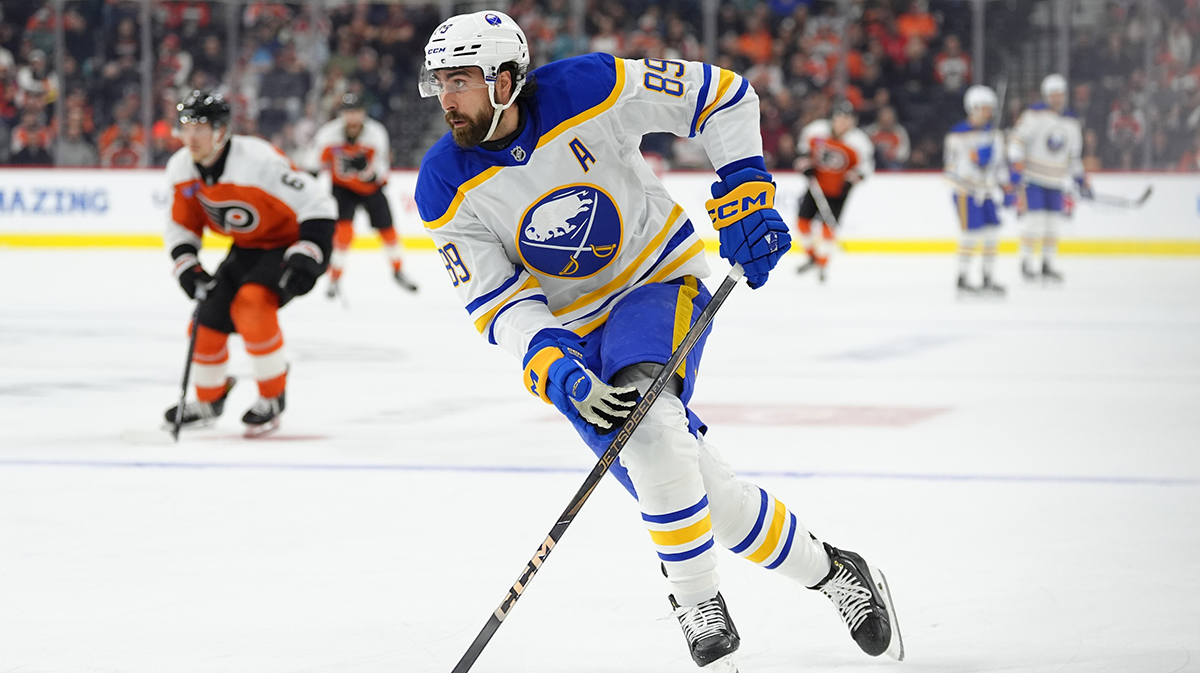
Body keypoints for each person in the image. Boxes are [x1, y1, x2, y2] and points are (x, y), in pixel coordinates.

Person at [414, 11, 903, 670]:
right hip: (570, 335)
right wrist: (546, 358)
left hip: (655, 282)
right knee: (698, 488)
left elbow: (722, 95)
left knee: (651, 427)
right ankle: (838, 572)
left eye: (462, 79)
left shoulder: (590, 86)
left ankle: (696, 606)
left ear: (506, 78)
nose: (446, 97)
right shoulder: (442, 180)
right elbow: (495, 297)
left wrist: (748, 193)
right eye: (440, 80)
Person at [163, 90, 336, 436]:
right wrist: (188, 266)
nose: (191, 136)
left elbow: (318, 202)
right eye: (186, 126)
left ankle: (272, 397)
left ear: (221, 131)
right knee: (206, 319)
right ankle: (209, 398)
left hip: (287, 245)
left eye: (200, 127)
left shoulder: (258, 162)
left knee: (253, 306)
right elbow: (182, 225)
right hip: (246, 247)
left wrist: (310, 254)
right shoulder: (181, 168)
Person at [304, 92, 417, 297]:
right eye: (348, 112)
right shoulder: (329, 134)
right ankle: (335, 277)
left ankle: (398, 270)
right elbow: (313, 162)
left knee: (388, 231)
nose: (352, 117)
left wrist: (365, 170)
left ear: (363, 113)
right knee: (343, 234)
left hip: (371, 189)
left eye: (356, 112)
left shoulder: (376, 133)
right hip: (342, 189)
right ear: (342, 114)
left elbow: (381, 171)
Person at [1007, 74, 1090, 283]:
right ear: (1046, 95)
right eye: (1053, 94)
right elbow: (1016, 142)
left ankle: (1046, 265)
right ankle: (1026, 263)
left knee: (1053, 225)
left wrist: (1081, 179)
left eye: (1060, 93)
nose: (1057, 97)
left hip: (1056, 181)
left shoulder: (1071, 121)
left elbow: (1074, 157)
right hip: (1033, 179)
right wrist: (1016, 165)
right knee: (1033, 223)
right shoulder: (1034, 116)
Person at [793, 101, 874, 281]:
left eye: (848, 119)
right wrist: (805, 166)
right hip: (816, 186)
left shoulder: (859, 142)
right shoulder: (815, 131)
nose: (843, 122)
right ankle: (811, 257)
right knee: (802, 223)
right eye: (840, 118)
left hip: (839, 192)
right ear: (833, 118)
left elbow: (866, 167)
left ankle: (822, 263)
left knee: (828, 228)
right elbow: (801, 153)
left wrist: (851, 180)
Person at [944, 85, 1010, 297]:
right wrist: (975, 160)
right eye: (984, 107)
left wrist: (1006, 186)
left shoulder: (995, 135)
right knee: (970, 235)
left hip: (987, 191)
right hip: (966, 191)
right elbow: (951, 169)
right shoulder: (958, 135)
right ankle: (962, 278)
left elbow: (1000, 165)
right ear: (972, 108)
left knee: (992, 234)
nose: (988, 112)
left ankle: (988, 277)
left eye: (990, 108)